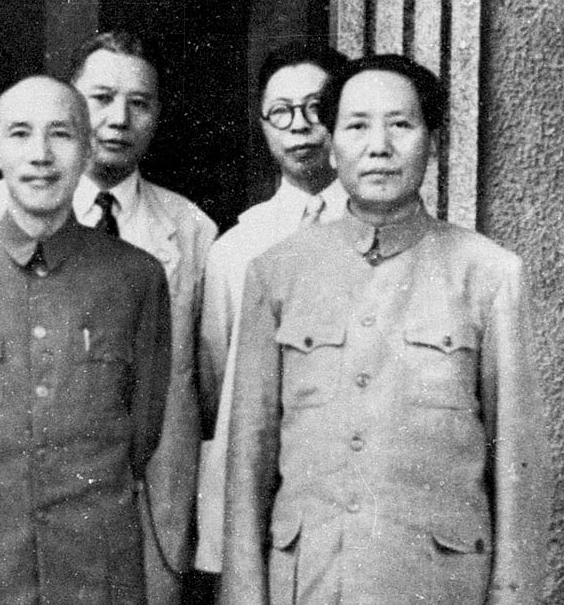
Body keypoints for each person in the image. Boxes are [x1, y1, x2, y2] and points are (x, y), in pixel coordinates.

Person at [222, 54, 549, 603]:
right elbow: (248, 463)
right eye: (357, 125)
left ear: (435, 142)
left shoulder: (489, 274)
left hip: (438, 586)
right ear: (332, 144)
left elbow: (516, 467)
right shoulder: (276, 273)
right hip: (310, 584)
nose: (379, 146)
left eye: (401, 124)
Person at [0, 75, 187, 603]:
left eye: (62, 135)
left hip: (96, 570)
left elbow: (141, 434)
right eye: (21, 134)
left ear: (88, 149)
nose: (41, 155)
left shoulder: (135, 279)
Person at [0, 31, 213, 601]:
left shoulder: (193, 228)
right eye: (101, 98)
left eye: (140, 103)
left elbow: (207, 376)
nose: (119, 118)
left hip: (151, 499)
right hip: (27, 499)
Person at [192, 42, 348, 595]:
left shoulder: (385, 233)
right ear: (263, 125)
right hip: (260, 496)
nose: (300, 128)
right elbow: (216, 383)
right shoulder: (238, 247)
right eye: (281, 112)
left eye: (316, 108)